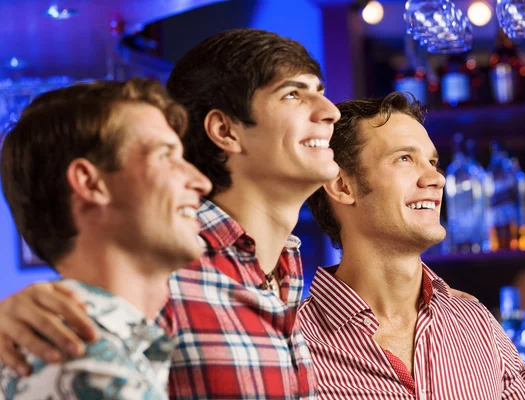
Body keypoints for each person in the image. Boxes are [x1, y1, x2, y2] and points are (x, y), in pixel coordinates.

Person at [0, 30, 473, 399]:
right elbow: (72, 328)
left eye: (319, 91)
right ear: (225, 130)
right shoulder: (164, 263)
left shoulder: (287, 277)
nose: (330, 111)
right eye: (293, 94)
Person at [298, 92, 525, 399]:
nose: (436, 178)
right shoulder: (291, 344)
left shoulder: (477, 324)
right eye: (404, 158)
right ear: (344, 186)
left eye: (433, 162)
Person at [0, 78, 212, 398]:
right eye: (166, 156)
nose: (201, 182)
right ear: (90, 183)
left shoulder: (115, 353)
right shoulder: (92, 370)